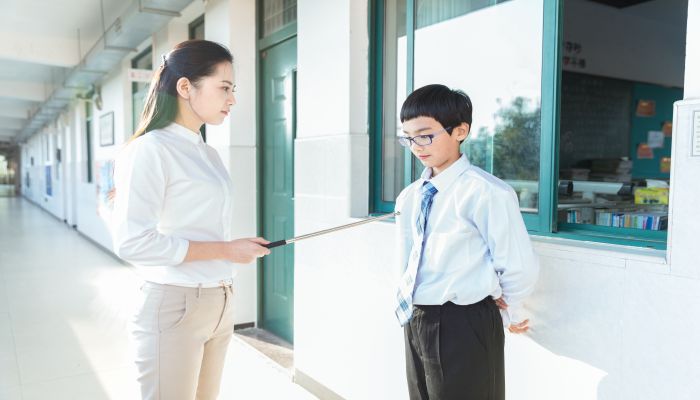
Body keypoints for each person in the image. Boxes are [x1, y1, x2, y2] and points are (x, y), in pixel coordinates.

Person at [111, 39, 271, 400]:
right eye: (224, 88)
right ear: (185, 87)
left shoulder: (208, 153)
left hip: (219, 301)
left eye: (234, 90)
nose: (232, 99)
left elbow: (200, 225)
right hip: (174, 305)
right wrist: (227, 250)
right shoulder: (149, 150)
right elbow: (132, 241)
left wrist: (231, 251)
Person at [394, 84, 539, 399]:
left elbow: (517, 264)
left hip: (463, 321)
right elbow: (408, 260)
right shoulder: (411, 195)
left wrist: (511, 309)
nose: (416, 145)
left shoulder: (486, 192)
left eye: (425, 134)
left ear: (460, 131)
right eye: (407, 137)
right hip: (417, 316)